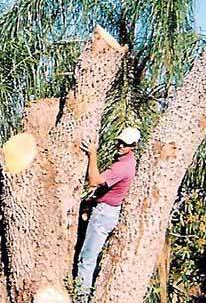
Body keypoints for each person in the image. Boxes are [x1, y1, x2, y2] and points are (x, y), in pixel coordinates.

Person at [74, 127, 140, 301]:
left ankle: (81, 298)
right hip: (108, 211)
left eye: (125, 144)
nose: (120, 145)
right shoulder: (128, 161)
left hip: (103, 214)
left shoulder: (122, 166)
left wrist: (92, 155)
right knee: (89, 255)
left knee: (86, 259)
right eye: (120, 141)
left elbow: (94, 181)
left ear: (133, 145)